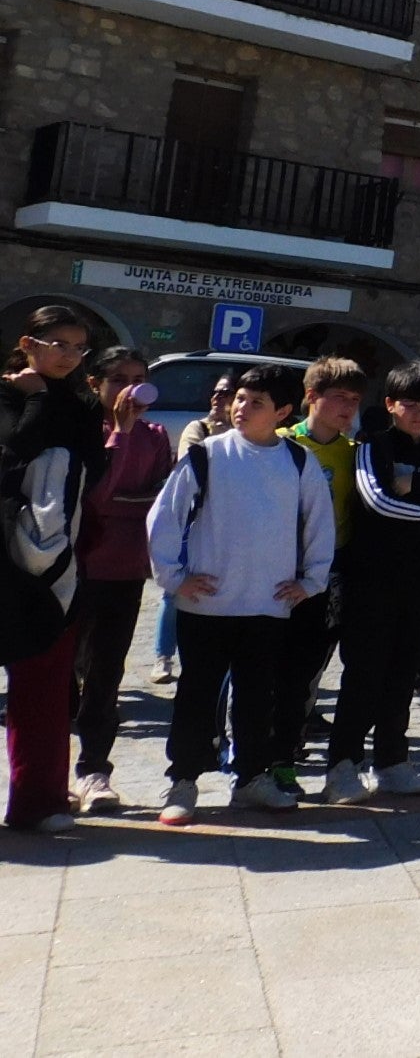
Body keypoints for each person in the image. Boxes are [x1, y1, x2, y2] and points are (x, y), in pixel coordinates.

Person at [146, 365, 334, 825]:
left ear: (284, 412)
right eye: (240, 398)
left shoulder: (297, 461)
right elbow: (164, 518)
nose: (241, 408)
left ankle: (251, 778)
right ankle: (184, 780)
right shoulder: (207, 455)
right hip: (206, 604)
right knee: (196, 693)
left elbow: (319, 524)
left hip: (268, 605)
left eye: (256, 402)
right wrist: (174, 577)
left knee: (256, 697)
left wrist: (310, 582)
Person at [322, 362, 420, 803]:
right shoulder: (372, 447)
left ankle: (392, 761)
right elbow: (379, 502)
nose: (419, 413)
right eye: (410, 404)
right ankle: (342, 767)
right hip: (370, 581)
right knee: (363, 675)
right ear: (391, 405)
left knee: (405, 674)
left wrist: (419, 485)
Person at [1, 306, 107, 833]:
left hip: (55, 560)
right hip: (5, 552)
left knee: (45, 684)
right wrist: (37, 396)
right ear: (29, 343)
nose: (70, 355)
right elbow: (10, 453)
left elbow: (91, 473)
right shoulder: (6, 394)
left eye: (79, 347)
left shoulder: (84, 404)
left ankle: (40, 802)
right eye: (59, 344)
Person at [71, 346, 173, 815]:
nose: (130, 389)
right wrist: (121, 433)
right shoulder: (82, 431)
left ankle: (95, 769)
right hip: (73, 570)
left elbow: (156, 503)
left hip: (125, 570)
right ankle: (51, 766)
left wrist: (122, 502)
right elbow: (96, 496)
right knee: (61, 672)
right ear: (95, 384)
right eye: (118, 379)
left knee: (106, 673)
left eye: (138, 378)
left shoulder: (155, 436)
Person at [269, 357, 366, 796]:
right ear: (311, 396)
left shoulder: (355, 454)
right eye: (339, 397)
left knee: (306, 673)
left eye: (355, 399)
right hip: (275, 573)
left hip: (328, 576)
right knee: (261, 670)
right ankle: (248, 755)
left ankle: (285, 757)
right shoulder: (281, 445)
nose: (347, 407)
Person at [157, 370, 237, 683]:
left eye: (227, 392)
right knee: (173, 591)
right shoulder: (199, 427)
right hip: (193, 520)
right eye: (216, 392)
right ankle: (164, 657)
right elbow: (192, 466)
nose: (219, 398)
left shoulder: (245, 433)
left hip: (227, 525)